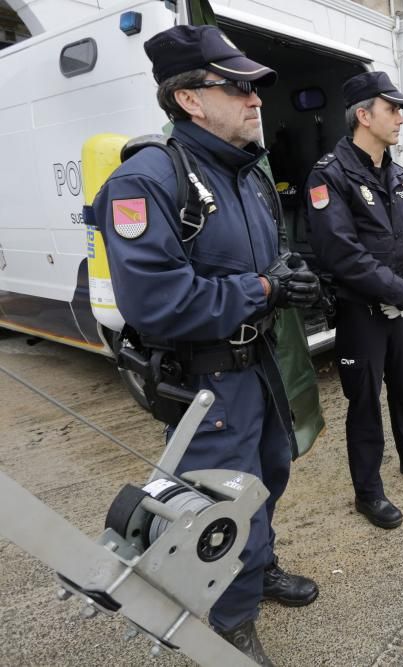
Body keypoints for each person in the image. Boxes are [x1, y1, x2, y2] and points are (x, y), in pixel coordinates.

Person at [92, 25, 321, 663]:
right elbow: (157, 301)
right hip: (209, 384)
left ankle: (259, 568)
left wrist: (290, 281)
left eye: (255, 88)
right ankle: (231, 619)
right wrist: (261, 290)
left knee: (269, 475)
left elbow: (263, 265)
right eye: (238, 86)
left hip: (262, 366)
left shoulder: (246, 175)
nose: (255, 100)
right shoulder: (147, 181)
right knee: (223, 507)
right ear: (190, 100)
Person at [306, 71, 403, 530]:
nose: (400, 120)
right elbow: (341, 253)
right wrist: (401, 291)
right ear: (363, 115)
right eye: (392, 110)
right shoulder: (329, 174)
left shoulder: (400, 175)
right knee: (365, 403)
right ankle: (368, 492)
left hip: (400, 311)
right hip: (361, 312)